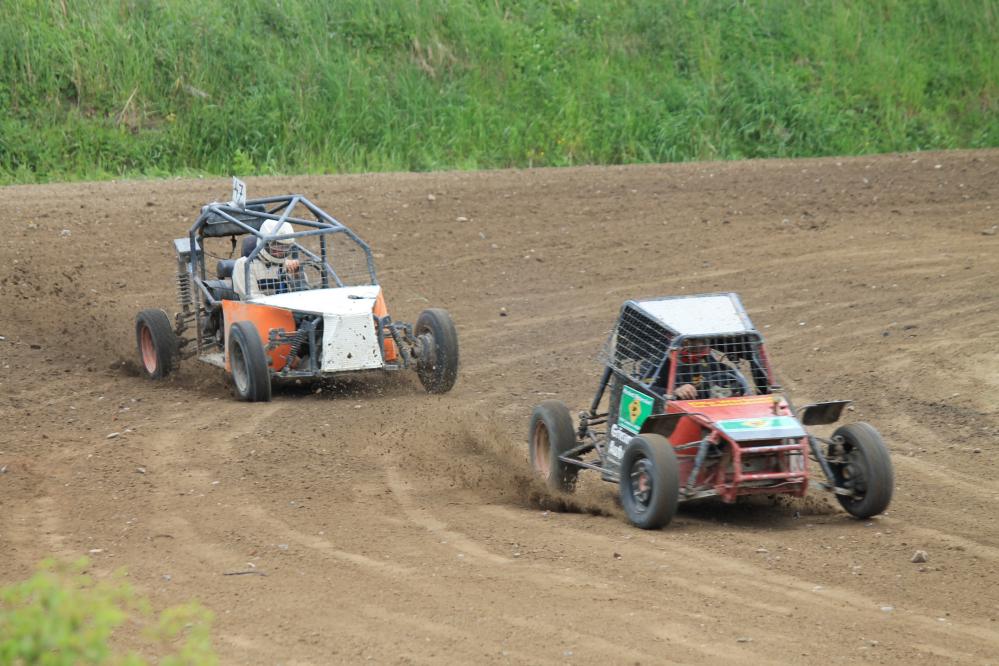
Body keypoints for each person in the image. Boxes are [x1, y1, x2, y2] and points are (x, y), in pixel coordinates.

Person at [232, 220, 305, 299]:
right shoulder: (244, 264)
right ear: (264, 243)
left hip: (282, 305)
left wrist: (297, 274)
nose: (281, 251)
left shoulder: (285, 264)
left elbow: (302, 294)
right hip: (254, 306)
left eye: (285, 247)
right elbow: (252, 298)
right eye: (276, 245)